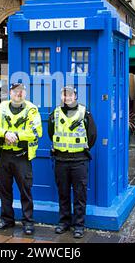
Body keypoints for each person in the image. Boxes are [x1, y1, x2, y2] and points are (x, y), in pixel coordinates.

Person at [0, 82, 42, 235]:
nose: (18, 94)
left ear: (25, 93)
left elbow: (36, 131)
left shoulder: (31, 109)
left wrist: (17, 136)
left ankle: (28, 222)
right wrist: (5, 134)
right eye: (15, 91)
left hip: (21, 157)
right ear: (10, 93)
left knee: (25, 190)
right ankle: (7, 220)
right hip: (4, 156)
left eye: (21, 91)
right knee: (4, 190)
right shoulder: (0, 108)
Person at [48, 86, 97, 238]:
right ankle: (64, 222)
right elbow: (51, 133)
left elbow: (92, 135)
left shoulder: (84, 113)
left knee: (79, 194)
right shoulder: (55, 113)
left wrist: (79, 148)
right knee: (62, 193)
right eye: (64, 95)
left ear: (75, 96)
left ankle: (79, 225)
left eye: (70, 94)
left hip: (79, 160)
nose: (67, 97)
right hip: (61, 159)